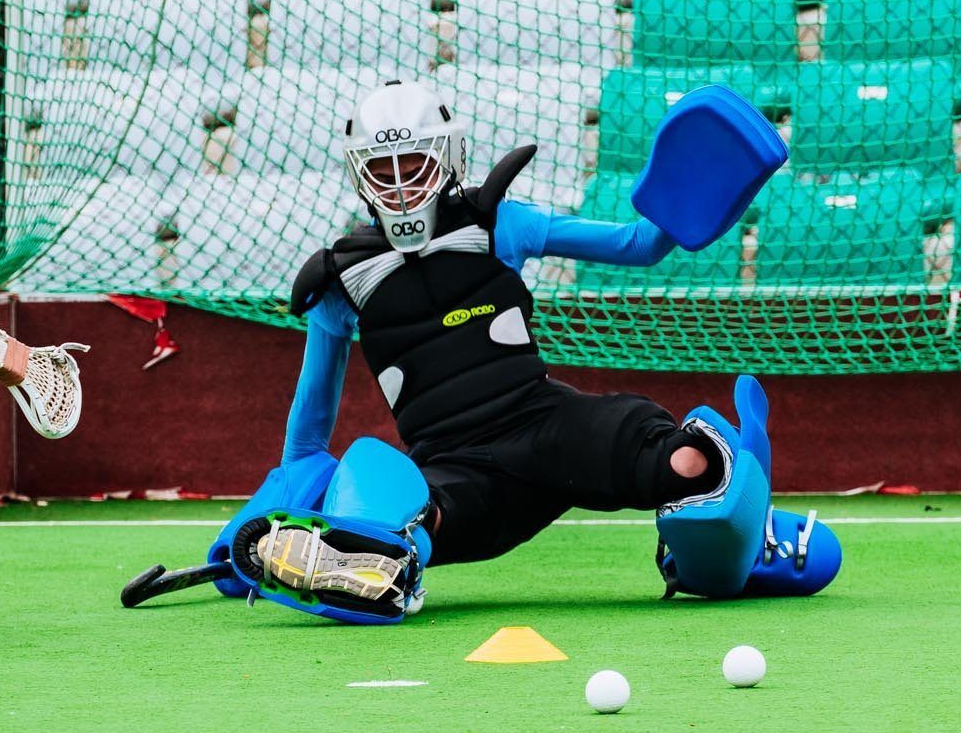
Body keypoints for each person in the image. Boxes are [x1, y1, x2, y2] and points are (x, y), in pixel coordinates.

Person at [202, 77, 840, 625]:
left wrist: (699, 180)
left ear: (447, 158)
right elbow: (309, 440)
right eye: (382, 170)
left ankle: (725, 543)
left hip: (550, 430)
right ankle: (372, 567)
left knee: (693, 464)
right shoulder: (339, 283)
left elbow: (639, 244)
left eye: (413, 166)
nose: (398, 187)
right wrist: (250, 532)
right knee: (398, 505)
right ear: (358, 174)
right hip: (458, 476)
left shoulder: (499, 225)